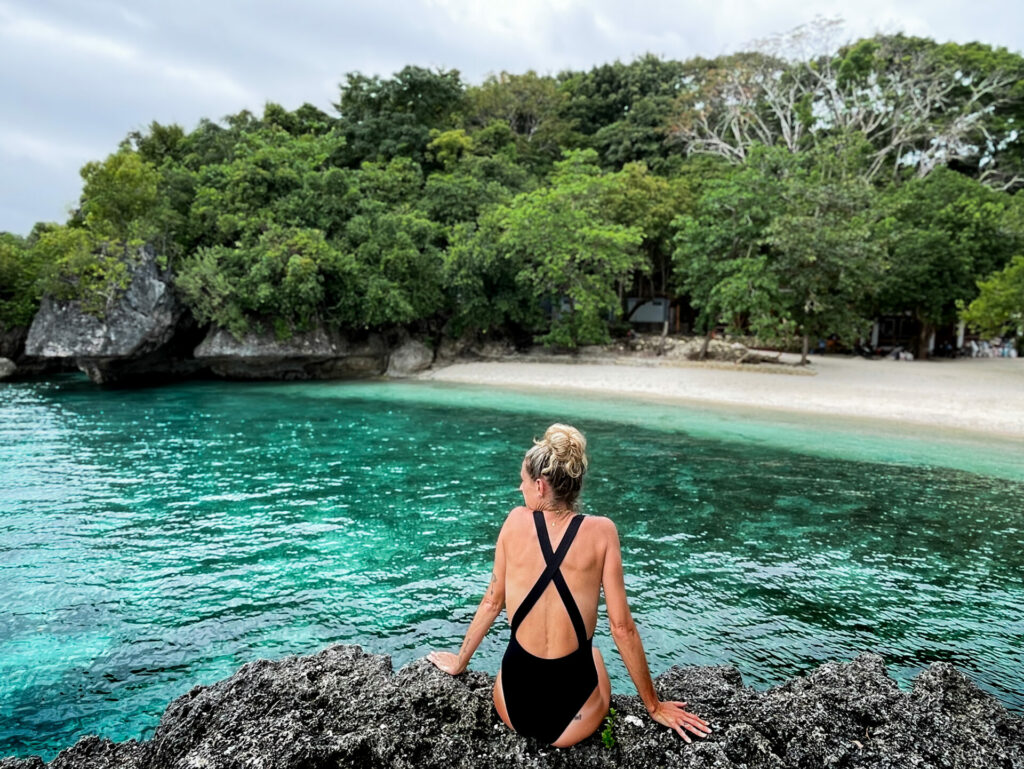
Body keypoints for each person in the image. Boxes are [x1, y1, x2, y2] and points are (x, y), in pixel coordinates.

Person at [428, 424, 711, 747]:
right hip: (573, 722)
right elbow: (622, 628)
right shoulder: (603, 532)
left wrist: (459, 663)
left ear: (539, 486)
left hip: (512, 711)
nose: (519, 488)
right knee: (594, 653)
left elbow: (493, 602)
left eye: (522, 481)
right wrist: (654, 706)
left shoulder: (514, 522)